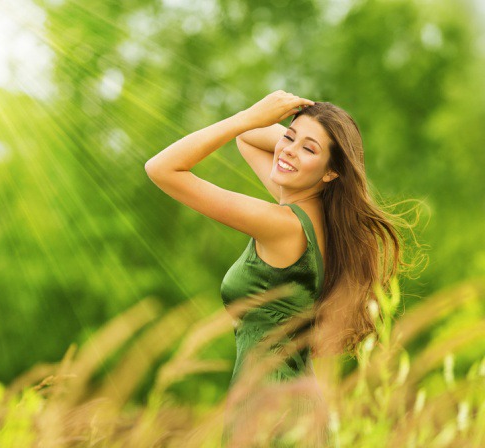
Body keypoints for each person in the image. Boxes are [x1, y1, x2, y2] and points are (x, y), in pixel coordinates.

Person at [144, 90, 407, 446]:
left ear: (331, 172)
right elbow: (249, 140)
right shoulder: (319, 219)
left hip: (269, 411)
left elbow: (161, 168)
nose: (288, 151)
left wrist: (250, 115)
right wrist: (297, 134)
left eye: (309, 149)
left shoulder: (283, 226)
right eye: (288, 137)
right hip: (291, 405)